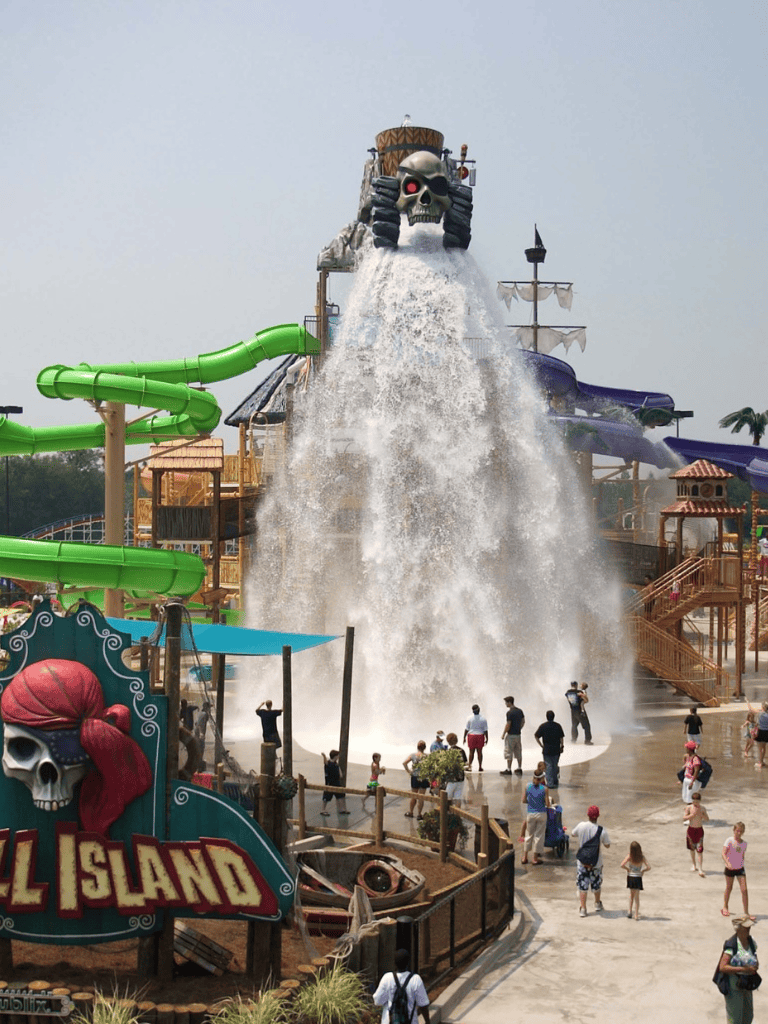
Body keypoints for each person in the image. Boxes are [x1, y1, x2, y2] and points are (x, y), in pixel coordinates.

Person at [716, 917, 759, 1024]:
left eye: (749, 927)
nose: (748, 929)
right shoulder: (732, 945)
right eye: (746, 928)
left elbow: (754, 956)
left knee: (748, 1015)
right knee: (735, 1019)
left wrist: (755, 965)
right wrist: (743, 969)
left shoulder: (751, 941)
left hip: (747, 983)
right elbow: (723, 967)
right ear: (738, 929)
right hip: (734, 985)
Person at [571, 804, 611, 918]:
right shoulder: (601, 830)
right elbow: (607, 845)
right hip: (596, 863)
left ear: (588, 815)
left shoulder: (581, 826)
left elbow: (573, 833)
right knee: (596, 884)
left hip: (582, 863)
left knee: (583, 886)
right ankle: (597, 904)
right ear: (598, 816)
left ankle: (583, 909)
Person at [373, 947, 430, 1024]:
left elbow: (377, 1001)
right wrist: (427, 1021)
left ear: (395, 963)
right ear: (408, 963)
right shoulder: (416, 979)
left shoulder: (387, 978)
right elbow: (423, 1005)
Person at [722, 822, 754, 920]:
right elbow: (723, 853)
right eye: (737, 831)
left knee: (744, 890)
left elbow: (742, 855)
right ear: (734, 830)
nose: (739, 833)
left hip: (740, 869)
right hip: (730, 868)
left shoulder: (744, 844)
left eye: (741, 831)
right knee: (729, 887)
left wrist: (739, 862)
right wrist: (727, 862)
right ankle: (725, 907)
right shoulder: (729, 841)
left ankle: (746, 912)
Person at [520, 767, 550, 865]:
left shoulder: (527, 786)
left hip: (530, 813)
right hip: (541, 813)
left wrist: (531, 802)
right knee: (538, 836)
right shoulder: (544, 789)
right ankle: (535, 858)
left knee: (529, 835)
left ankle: (525, 857)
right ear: (542, 779)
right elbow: (547, 804)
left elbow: (524, 800)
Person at [534, 710, 565, 789]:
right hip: (556, 749)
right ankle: (555, 781)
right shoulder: (558, 726)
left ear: (546, 717)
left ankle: (550, 783)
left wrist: (541, 745)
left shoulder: (543, 726)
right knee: (554, 765)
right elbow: (561, 737)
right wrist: (562, 746)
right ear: (554, 716)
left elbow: (536, 736)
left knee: (548, 766)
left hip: (547, 749)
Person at [620, 840, 650, 920]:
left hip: (631, 877)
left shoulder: (630, 856)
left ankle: (629, 911)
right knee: (637, 897)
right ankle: (636, 914)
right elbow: (649, 867)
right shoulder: (642, 857)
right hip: (638, 877)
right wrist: (643, 871)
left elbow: (622, 865)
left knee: (631, 895)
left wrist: (627, 869)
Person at [683, 791, 709, 877]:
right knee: (692, 849)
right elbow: (684, 818)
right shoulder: (689, 807)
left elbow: (707, 819)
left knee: (700, 850)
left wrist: (701, 815)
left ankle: (700, 868)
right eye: (694, 801)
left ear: (700, 801)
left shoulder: (702, 808)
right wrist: (691, 816)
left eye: (697, 802)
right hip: (691, 830)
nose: (695, 803)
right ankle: (694, 865)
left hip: (699, 830)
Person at [403, 740, 429, 819]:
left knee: (413, 796)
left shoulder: (413, 755)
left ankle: (411, 812)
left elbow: (404, 763)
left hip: (415, 777)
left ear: (417, 747)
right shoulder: (427, 756)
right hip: (424, 777)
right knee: (421, 797)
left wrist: (409, 771)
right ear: (424, 748)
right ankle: (419, 814)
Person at [500, 695, 525, 775]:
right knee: (518, 751)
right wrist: (519, 728)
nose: (505, 704)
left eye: (506, 702)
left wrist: (503, 734)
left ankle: (508, 769)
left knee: (509, 751)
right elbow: (523, 721)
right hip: (518, 735)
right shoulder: (520, 711)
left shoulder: (509, 712)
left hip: (511, 735)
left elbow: (508, 724)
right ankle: (519, 768)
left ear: (509, 702)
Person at [320, 750, 349, 816]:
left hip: (336, 783)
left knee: (340, 796)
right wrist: (324, 756)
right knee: (326, 798)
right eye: (338, 756)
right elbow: (325, 762)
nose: (338, 757)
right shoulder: (330, 764)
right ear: (335, 756)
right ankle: (323, 810)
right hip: (330, 783)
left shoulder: (334, 764)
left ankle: (341, 809)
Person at [444, 732, 467, 807]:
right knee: (458, 797)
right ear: (456, 741)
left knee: (446, 797)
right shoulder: (461, 751)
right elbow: (465, 763)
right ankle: (457, 815)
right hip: (460, 778)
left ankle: (446, 815)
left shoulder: (448, 752)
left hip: (451, 778)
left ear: (448, 742)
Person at [463, 704, 488, 772]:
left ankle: (470, 766)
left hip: (471, 735)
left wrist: (464, 737)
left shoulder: (469, 718)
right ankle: (480, 766)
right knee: (479, 752)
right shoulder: (483, 718)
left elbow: (466, 729)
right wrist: (487, 738)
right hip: (480, 735)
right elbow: (485, 730)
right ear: (479, 710)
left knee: (471, 752)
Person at [753, 702, 768, 769]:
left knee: (760, 749)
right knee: (764, 747)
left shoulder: (760, 714)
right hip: (766, 732)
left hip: (760, 732)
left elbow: (756, 723)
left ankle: (760, 763)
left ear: (763, 707)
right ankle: (762, 761)